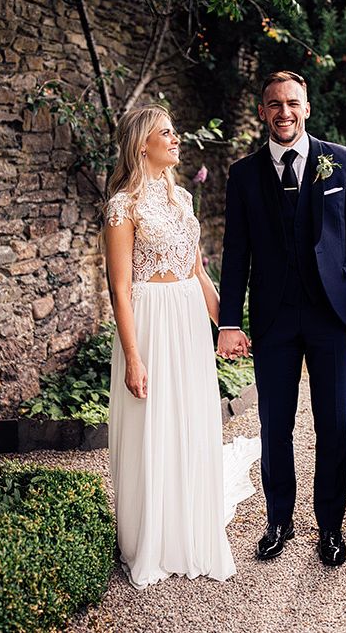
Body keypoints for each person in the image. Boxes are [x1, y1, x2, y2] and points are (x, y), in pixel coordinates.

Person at [217, 71, 346, 567]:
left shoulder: (342, 161)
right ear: (262, 111)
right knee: (275, 424)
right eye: (274, 104)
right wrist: (229, 320)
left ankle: (331, 528)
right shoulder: (244, 175)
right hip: (274, 319)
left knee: (333, 423)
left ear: (306, 108)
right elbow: (234, 253)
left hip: (331, 314)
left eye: (293, 103)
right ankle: (279, 520)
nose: (284, 112)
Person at [104, 104, 257, 589]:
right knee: (153, 422)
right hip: (149, 320)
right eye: (166, 133)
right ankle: (152, 535)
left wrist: (225, 322)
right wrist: (133, 356)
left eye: (174, 133)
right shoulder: (122, 206)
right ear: (141, 143)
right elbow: (120, 289)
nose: (176, 140)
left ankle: (190, 523)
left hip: (190, 319)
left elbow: (197, 269)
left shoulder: (183, 198)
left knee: (191, 419)